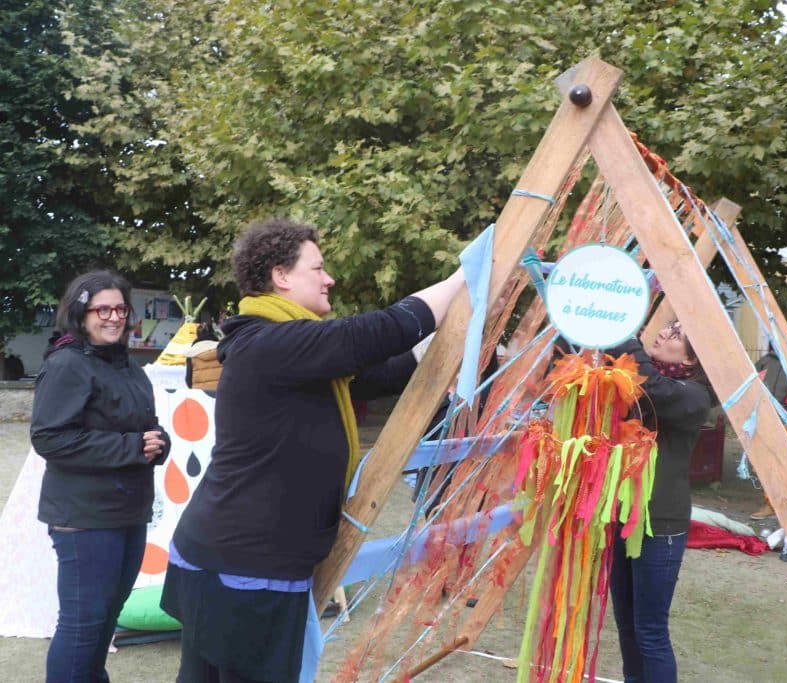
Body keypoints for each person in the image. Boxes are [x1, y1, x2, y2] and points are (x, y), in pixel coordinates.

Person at [160, 218, 465, 683]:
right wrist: (465, 276)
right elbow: (378, 332)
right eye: (318, 268)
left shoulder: (287, 348)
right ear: (281, 276)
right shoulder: (270, 342)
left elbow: (379, 370)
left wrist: (454, 333)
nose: (330, 279)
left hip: (231, 556)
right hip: (245, 566)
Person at [31, 270, 171, 683]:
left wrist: (158, 442)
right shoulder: (67, 364)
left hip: (128, 512)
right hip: (84, 518)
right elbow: (50, 438)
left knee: (107, 616)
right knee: (82, 624)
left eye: (120, 309)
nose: (113, 317)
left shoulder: (127, 366)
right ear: (81, 313)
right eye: (102, 309)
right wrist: (132, 447)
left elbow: (143, 425)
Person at [607, 321, 716, 683]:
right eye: (667, 328)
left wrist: (621, 331)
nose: (663, 335)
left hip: (660, 526)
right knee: (627, 625)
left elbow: (654, 388)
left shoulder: (694, 395)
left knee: (650, 632)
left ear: (691, 358)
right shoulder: (639, 384)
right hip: (624, 518)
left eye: (675, 335)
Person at [750, 346, 787, 520]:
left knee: (784, 465)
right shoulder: (765, 362)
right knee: (764, 465)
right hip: (764, 421)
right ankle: (770, 504)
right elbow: (749, 382)